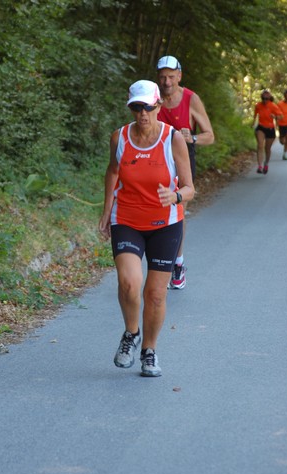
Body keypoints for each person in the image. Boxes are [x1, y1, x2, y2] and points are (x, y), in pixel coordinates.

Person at [98, 80, 194, 377]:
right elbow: (113, 172)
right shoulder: (120, 137)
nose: (142, 114)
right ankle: (131, 333)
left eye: (148, 107)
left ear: (159, 106)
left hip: (165, 223)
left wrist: (175, 196)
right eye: (136, 107)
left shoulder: (172, 138)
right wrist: (105, 211)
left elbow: (190, 188)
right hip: (126, 218)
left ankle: (149, 351)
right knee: (129, 282)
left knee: (155, 294)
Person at [156, 55, 214, 289]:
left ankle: (177, 264)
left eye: (171, 76)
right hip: (155, 160)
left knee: (177, 211)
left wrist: (193, 137)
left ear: (179, 76)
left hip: (182, 161)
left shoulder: (191, 99)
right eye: (162, 77)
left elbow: (210, 135)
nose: (167, 81)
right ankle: (156, 263)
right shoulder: (153, 98)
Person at [252, 89, 282, 174]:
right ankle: (260, 166)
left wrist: (275, 116)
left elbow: (281, 116)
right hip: (261, 127)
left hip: (270, 128)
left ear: (269, 98)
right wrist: (253, 123)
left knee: (267, 148)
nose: (265, 100)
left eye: (266, 99)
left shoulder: (273, 106)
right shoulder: (258, 105)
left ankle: (266, 163)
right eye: (263, 98)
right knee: (260, 145)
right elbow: (255, 115)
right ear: (261, 98)